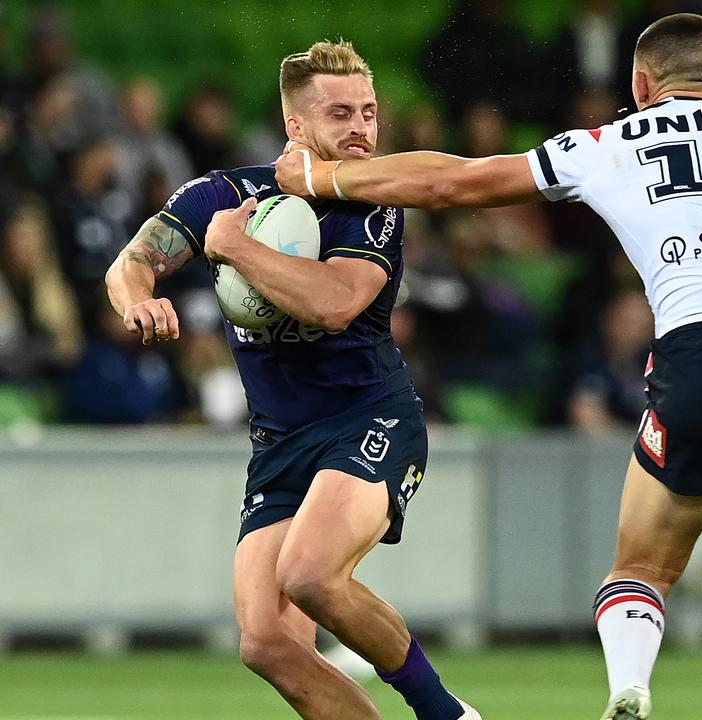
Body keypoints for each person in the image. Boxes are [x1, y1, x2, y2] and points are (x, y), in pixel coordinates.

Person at [276, 14, 702, 720]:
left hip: (695, 359)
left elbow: (459, 184)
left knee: (639, 571)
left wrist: (327, 175)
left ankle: (629, 683)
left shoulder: (612, 141)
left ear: (638, 83)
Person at [103, 41, 479, 720]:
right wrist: (136, 297)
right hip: (280, 442)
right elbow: (132, 259)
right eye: (342, 113)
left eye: (369, 111)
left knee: (310, 575)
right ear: (297, 129)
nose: (363, 127)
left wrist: (234, 247)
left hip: (371, 420)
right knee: (267, 641)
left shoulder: (372, 204)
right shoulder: (225, 194)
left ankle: (446, 714)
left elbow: (334, 302)